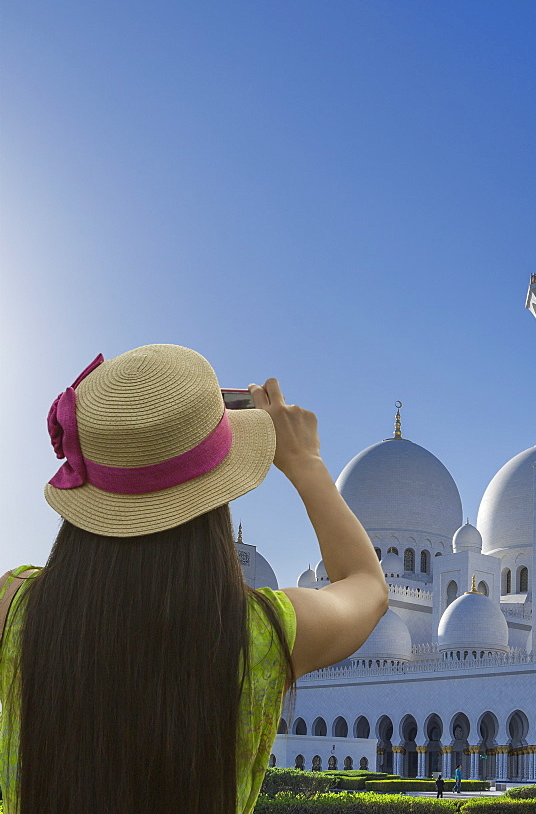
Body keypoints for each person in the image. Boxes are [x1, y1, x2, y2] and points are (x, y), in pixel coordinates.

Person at [0, 345, 388, 814]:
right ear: (217, 491)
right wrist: (305, 461)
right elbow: (367, 586)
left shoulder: (14, 609)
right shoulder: (261, 634)